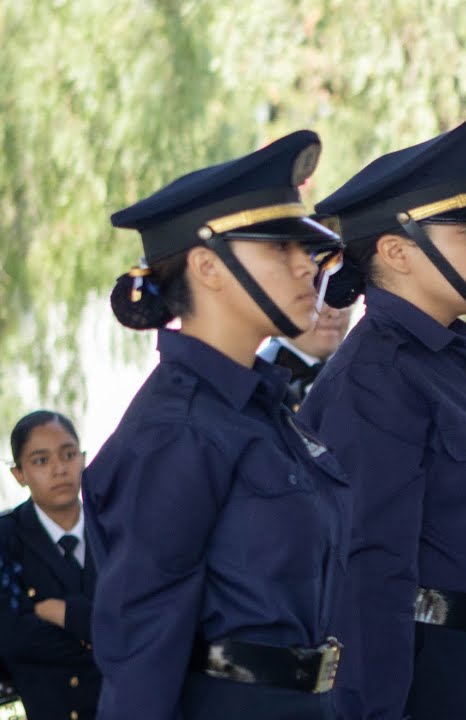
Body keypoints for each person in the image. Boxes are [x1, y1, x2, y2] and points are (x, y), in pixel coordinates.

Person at [82, 131, 351, 719]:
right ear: (207, 266)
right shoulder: (176, 430)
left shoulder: (258, 410)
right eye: (279, 248)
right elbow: (139, 661)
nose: (307, 266)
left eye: (306, 249)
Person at [300, 109, 466, 720]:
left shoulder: (453, 368)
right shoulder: (375, 382)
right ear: (397, 252)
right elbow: (367, 580)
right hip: (424, 680)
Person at [0, 410, 101, 719]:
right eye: (41, 460)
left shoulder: (116, 529)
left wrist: (63, 612)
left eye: (68, 454)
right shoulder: (6, 538)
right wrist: (106, 632)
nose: (59, 469)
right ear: (19, 474)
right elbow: (10, 637)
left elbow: (150, 618)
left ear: (83, 459)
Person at [259, 302, 354, 411]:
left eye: (345, 298)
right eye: (319, 298)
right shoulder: (260, 380)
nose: (334, 312)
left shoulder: (363, 370)